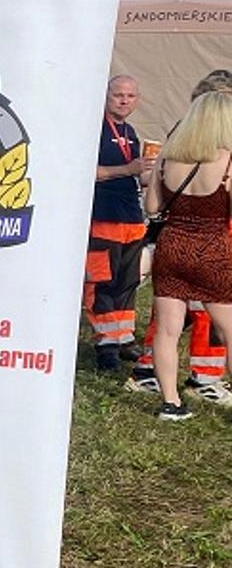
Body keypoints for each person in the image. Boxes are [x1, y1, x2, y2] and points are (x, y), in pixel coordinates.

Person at [130, 69, 232, 403]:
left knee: (167, 330)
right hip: (213, 248)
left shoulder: (168, 157)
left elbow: (152, 207)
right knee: (229, 331)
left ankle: (171, 402)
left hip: (172, 245)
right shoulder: (227, 161)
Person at [85, 75, 155, 370]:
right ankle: (106, 345)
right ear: (106, 95)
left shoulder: (130, 131)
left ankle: (124, 338)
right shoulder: (94, 127)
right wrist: (127, 168)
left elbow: (134, 175)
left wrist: (151, 173)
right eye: (118, 95)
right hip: (103, 217)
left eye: (130, 96)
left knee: (127, 283)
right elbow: (84, 171)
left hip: (131, 218)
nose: (124, 100)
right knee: (102, 283)